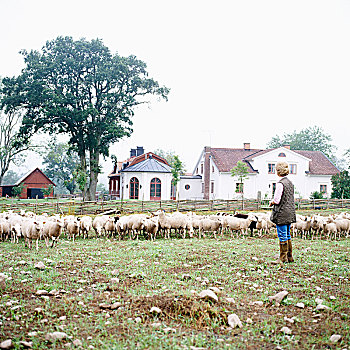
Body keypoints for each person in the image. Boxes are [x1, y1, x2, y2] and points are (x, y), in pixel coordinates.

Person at [269, 161, 296, 265]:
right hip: (290, 212)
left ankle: (282, 258)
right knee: (288, 234)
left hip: (282, 213)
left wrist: (271, 202)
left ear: (278, 171)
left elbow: (277, 200)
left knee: (282, 235)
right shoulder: (290, 183)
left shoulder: (280, 184)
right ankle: (290, 256)